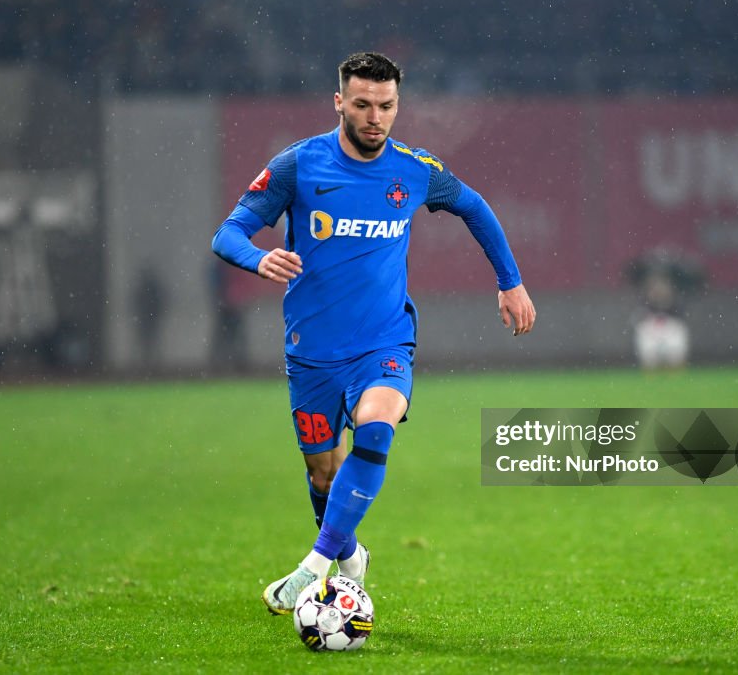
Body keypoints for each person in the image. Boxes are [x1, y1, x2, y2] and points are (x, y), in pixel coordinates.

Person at [211, 51, 536, 615]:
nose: (375, 118)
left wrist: (511, 282)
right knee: (322, 471)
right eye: (362, 104)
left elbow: (475, 207)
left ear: (397, 106)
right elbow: (229, 231)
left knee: (376, 427)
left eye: (386, 106)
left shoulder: (415, 169)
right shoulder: (297, 165)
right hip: (311, 351)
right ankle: (349, 553)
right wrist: (257, 258)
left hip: (384, 343)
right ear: (339, 102)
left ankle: (313, 567)